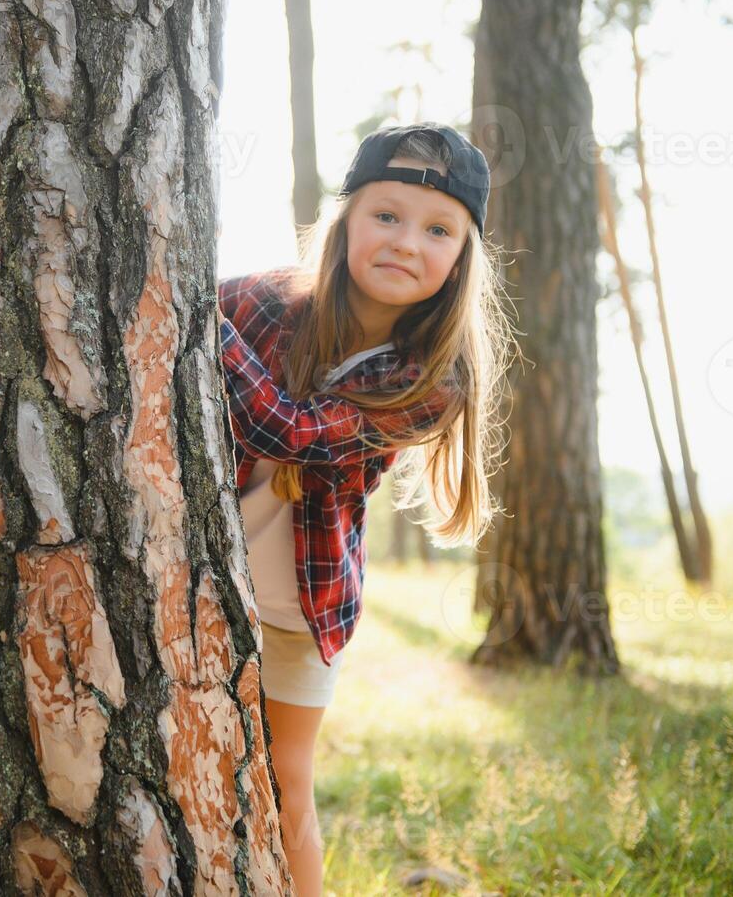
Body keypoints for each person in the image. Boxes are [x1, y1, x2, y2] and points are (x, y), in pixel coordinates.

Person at [218, 122, 514, 897]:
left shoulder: (431, 381)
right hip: (193, 576)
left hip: (297, 606)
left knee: (286, 784)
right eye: (385, 215)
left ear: (459, 259)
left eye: (437, 229)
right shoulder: (254, 301)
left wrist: (191, 320)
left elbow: (284, 430)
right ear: (347, 219)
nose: (405, 241)